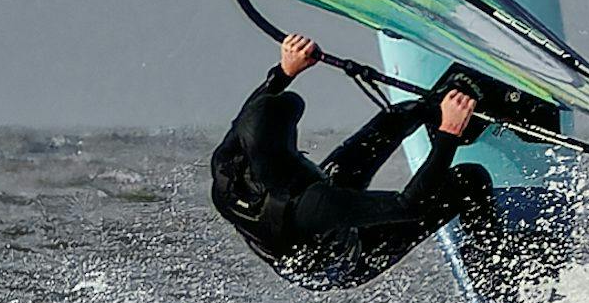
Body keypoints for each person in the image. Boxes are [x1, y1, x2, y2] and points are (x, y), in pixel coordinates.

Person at [208, 34, 498, 287]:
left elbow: (248, 117)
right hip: (342, 260)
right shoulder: (314, 205)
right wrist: (449, 134)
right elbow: (408, 204)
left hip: (302, 218)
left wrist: (284, 71)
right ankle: (491, 263)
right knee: (468, 181)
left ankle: (462, 110)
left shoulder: (227, 165)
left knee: (402, 115)